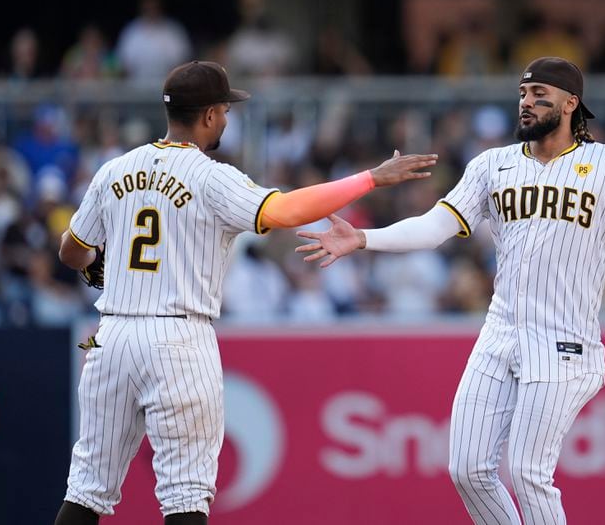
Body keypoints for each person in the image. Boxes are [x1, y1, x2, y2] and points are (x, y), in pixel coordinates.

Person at [296, 57, 605, 524]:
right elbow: (434, 227)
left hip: (564, 341)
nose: (527, 104)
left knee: (528, 472)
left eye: (540, 96)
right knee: (467, 468)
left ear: (571, 104)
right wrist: (365, 237)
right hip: (500, 332)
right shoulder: (493, 165)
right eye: (524, 95)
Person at [54, 60, 437, 525]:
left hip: (111, 335)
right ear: (211, 115)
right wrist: (369, 179)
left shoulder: (115, 169)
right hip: (178, 339)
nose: (227, 119)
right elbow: (287, 211)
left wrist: (99, 268)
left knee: (88, 490)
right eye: (225, 110)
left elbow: (72, 250)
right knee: (185, 496)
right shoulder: (211, 176)